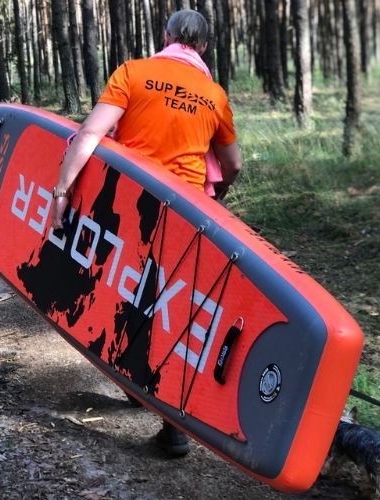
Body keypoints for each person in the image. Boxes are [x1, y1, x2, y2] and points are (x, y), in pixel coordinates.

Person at [51, 9, 242, 457]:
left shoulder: (134, 73)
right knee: (171, 308)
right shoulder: (214, 94)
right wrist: (219, 196)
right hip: (187, 215)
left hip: (130, 205)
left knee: (125, 295)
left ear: (166, 36)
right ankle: (170, 419)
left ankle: (137, 385)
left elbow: (89, 135)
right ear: (206, 47)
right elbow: (232, 164)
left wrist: (62, 191)